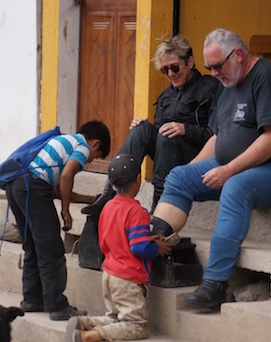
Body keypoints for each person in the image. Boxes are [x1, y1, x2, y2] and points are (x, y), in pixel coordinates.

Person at [149, 28, 271, 308]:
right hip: (240, 165)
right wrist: (190, 173)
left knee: (236, 187)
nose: (213, 73)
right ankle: (148, 245)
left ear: (238, 55)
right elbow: (218, 137)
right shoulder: (227, 83)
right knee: (178, 175)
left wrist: (228, 171)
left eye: (217, 66)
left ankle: (215, 284)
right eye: (209, 67)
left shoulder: (268, 76)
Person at [81, 35, 219, 215]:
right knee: (142, 131)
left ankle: (159, 206)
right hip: (169, 154)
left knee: (167, 136)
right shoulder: (165, 96)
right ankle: (109, 193)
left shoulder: (210, 87)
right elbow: (159, 133)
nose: (171, 74)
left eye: (175, 67)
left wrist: (185, 129)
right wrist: (145, 127)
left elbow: (217, 135)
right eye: (165, 70)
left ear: (190, 62)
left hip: (198, 156)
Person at [62, 154, 174, 342]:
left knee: (115, 317)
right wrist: (156, 248)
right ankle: (89, 337)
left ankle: (84, 323)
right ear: (139, 180)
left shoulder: (107, 207)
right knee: (136, 325)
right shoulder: (137, 212)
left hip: (109, 274)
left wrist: (147, 238)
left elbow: (117, 237)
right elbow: (138, 247)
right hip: (128, 280)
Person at [5, 120, 111, 321]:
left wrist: (88, 199)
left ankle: (32, 299)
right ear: (95, 144)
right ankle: (57, 306)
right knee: (51, 249)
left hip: (17, 186)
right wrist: (66, 211)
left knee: (34, 246)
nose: (88, 163)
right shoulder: (81, 145)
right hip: (33, 188)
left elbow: (58, 187)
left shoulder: (62, 142)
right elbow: (66, 177)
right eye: (94, 158)